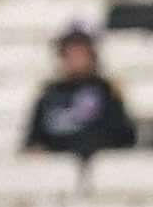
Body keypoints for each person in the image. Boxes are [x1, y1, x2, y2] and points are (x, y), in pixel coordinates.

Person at [20, 28, 132, 159]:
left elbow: (123, 138)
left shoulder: (107, 92)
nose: (76, 60)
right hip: (57, 169)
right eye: (70, 54)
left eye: (81, 53)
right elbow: (34, 140)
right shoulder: (49, 95)